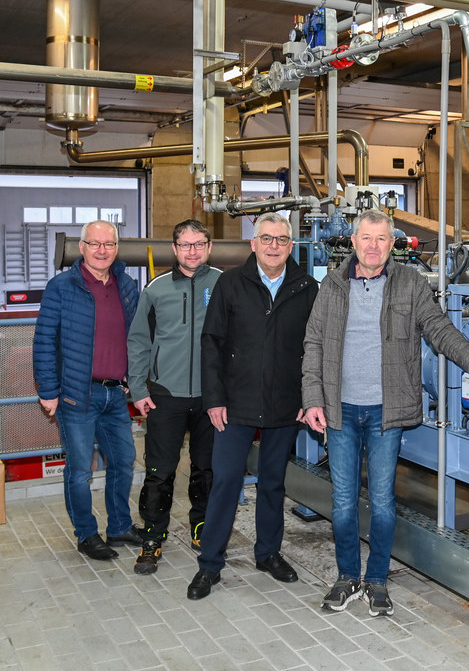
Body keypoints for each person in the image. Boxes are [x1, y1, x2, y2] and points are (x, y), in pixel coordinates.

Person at [302, 208, 469, 617]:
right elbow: (314, 344)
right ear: (353, 241)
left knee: (382, 502)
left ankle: (376, 580)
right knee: (342, 504)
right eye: (366, 238)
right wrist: (312, 400)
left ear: (392, 243)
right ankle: (346, 577)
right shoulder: (333, 285)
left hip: (384, 413)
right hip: (339, 410)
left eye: (382, 239)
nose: (373, 246)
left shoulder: (410, 283)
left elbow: (440, 328)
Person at [187, 212, 318, 600]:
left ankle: (268, 553)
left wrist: (306, 398)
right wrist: (213, 400)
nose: (274, 245)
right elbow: (210, 344)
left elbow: (316, 349)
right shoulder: (230, 284)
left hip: (285, 406)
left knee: (274, 484)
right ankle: (209, 564)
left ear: (291, 246)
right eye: (266, 238)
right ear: (253, 243)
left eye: (281, 239)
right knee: (225, 483)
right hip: (234, 406)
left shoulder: (307, 288)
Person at [32, 220, 144, 560]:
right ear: (81, 248)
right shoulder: (61, 287)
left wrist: (134, 381)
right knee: (81, 470)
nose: (101, 250)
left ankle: (119, 526)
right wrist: (48, 390)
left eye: (108, 244)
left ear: (116, 248)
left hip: (115, 394)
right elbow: (44, 342)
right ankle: (86, 533)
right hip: (76, 394)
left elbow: (136, 340)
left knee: (124, 461)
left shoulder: (126, 285)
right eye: (94, 244)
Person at [127, 220, 221, 575]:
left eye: (199, 244)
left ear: (209, 247)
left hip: (212, 398)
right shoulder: (156, 290)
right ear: (175, 248)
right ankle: (152, 537)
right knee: (159, 472)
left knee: (207, 469)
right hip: (165, 395)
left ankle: (203, 527)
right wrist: (138, 390)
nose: (192, 251)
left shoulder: (224, 285)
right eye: (185, 245)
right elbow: (138, 342)